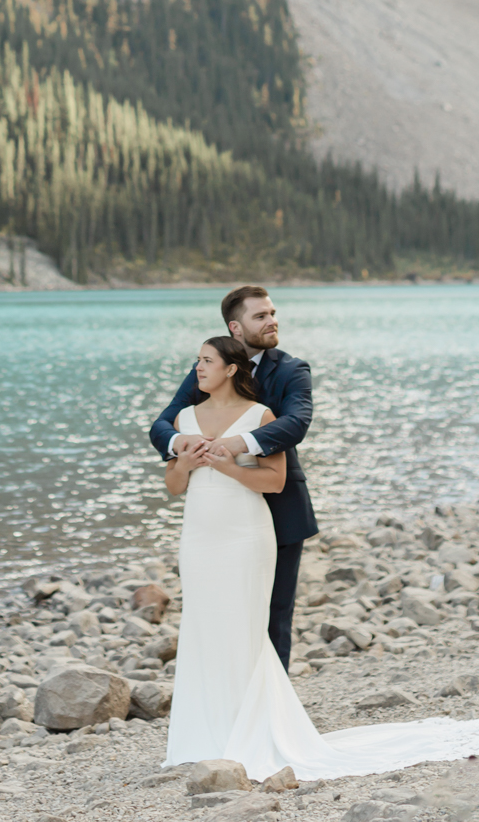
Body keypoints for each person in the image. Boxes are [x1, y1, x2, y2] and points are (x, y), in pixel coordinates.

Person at [158, 330, 479, 781]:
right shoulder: (186, 419)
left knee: (244, 626)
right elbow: (174, 486)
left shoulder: (259, 415)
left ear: (231, 369)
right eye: (197, 361)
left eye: (206, 360)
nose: (198, 368)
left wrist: (226, 464)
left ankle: (251, 733)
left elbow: (273, 481)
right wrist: (188, 461)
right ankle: (202, 736)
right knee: (203, 624)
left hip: (245, 534)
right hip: (199, 535)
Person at [150, 286, 313, 669]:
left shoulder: (292, 369)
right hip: (215, 519)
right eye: (261, 316)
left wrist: (238, 442)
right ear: (235, 327)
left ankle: (269, 714)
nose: (272, 321)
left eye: (273, 313)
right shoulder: (209, 369)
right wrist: (182, 444)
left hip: (280, 504)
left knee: (273, 614)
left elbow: (297, 422)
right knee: (217, 612)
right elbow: (162, 423)